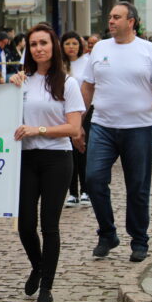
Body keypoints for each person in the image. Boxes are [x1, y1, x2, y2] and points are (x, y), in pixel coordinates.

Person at [9, 23, 84, 302]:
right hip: (27, 158)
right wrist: (11, 88)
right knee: (26, 224)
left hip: (57, 159)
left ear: (53, 46)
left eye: (43, 43)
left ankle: (47, 286)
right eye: (33, 44)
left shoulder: (68, 83)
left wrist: (38, 130)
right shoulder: (21, 81)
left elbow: (74, 129)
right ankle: (38, 266)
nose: (39, 48)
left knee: (49, 225)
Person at [81, 2, 152, 263]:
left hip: (138, 127)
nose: (111, 21)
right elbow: (87, 87)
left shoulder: (149, 51)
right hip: (102, 126)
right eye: (110, 17)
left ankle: (139, 240)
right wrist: (79, 121)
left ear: (131, 21)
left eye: (117, 17)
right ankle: (107, 233)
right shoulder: (100, 48)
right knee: (92, 179)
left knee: (137, 186)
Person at [60, 31, 90, 207]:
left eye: (74, 43)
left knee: (83, 151)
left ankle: (86, 189)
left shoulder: (86, 63)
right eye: (67, 43)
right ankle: (72, 192)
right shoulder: (59, 64)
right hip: (64, 112)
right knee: (69, 151)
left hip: (85, 111)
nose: (71, 47)